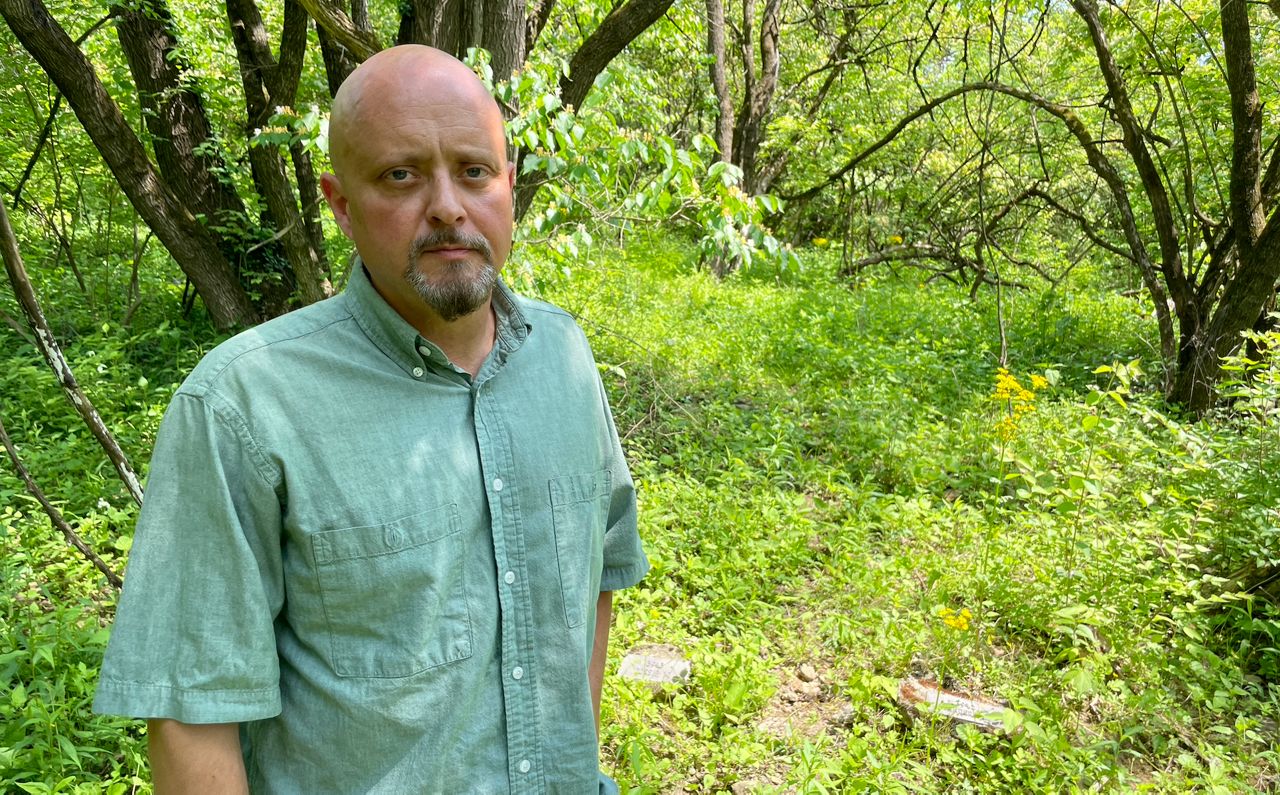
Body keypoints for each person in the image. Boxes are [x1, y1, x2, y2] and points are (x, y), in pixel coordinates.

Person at [93, 45, 648, 794]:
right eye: (401, 175)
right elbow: (193, 715)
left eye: (474, 171)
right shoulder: (243, 406)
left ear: (509, 187)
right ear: (340, 204)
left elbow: (598, 577)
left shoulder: (564, 359)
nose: (449, 205)